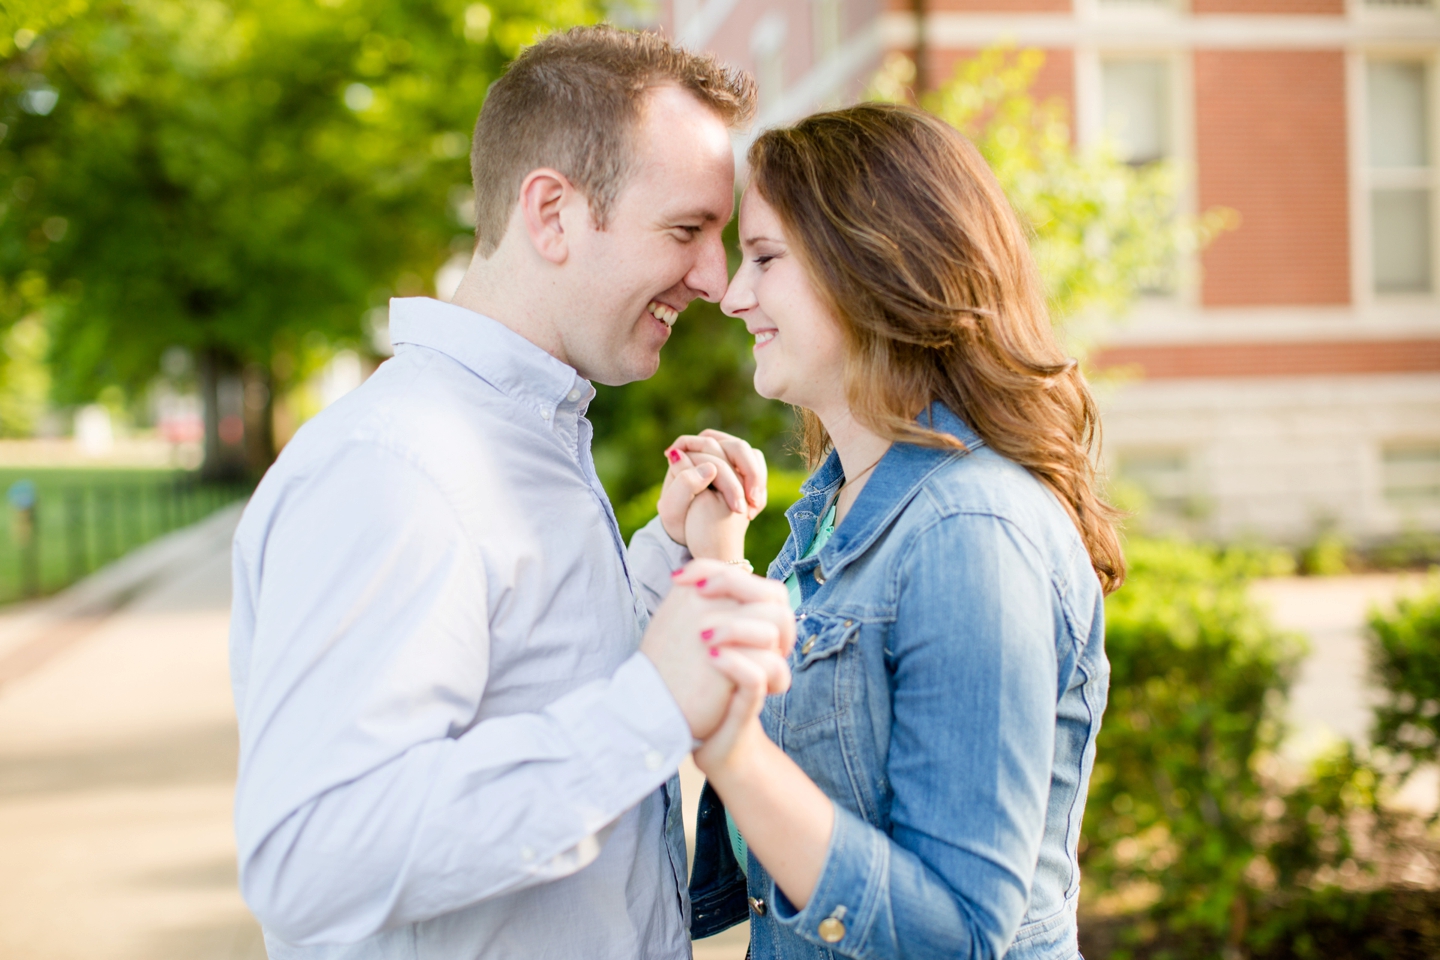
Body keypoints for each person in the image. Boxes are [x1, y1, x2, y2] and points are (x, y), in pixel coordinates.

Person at [228, 26, 794, 960]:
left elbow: (532, 676)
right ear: (552, 213)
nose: (715, 278)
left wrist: (662, 561)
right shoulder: (397, 469)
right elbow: (311, 859)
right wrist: (655, 707)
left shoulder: (521, 432)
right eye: (688, 229)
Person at [680, 102, 1126, 960]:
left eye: (765, 258)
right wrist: (720, 563)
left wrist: (729, 745)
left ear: (874, 266)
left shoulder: (970, 530)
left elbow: (956, 933)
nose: (734, 296)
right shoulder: (837, 509)